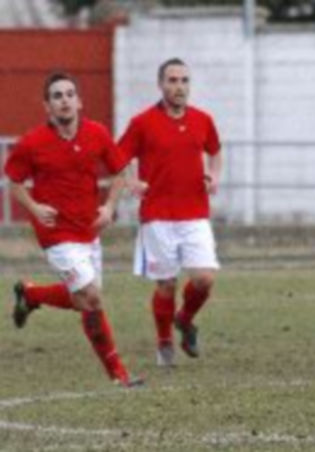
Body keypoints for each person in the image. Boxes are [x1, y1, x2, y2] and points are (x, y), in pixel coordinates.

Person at [5, 73, 142, 387]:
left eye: (69, 94)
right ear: (47, 106)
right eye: (56, 96)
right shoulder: (33, 142)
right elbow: (13, 181)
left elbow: (122, 170)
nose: (64, 100)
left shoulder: (96, 134)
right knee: (91, 297)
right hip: (55, 234)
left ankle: (30, 294)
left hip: (88, 231)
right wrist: (35, 208)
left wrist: (108, 207)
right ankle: (119, 375)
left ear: (79, 102)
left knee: (84, 301)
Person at [117, 58, 222, 367]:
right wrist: (131, 180)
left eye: (184, 80)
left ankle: (185, 318)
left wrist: (214, 177)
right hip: (158, 216)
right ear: (161, 84)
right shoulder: (142, 122)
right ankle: (164, 342)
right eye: (173, 80)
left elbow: (215, 151)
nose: (179, 87)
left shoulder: (203, 119)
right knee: (166, 284)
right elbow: (117, 156)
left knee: (204, 279)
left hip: (195, 214)